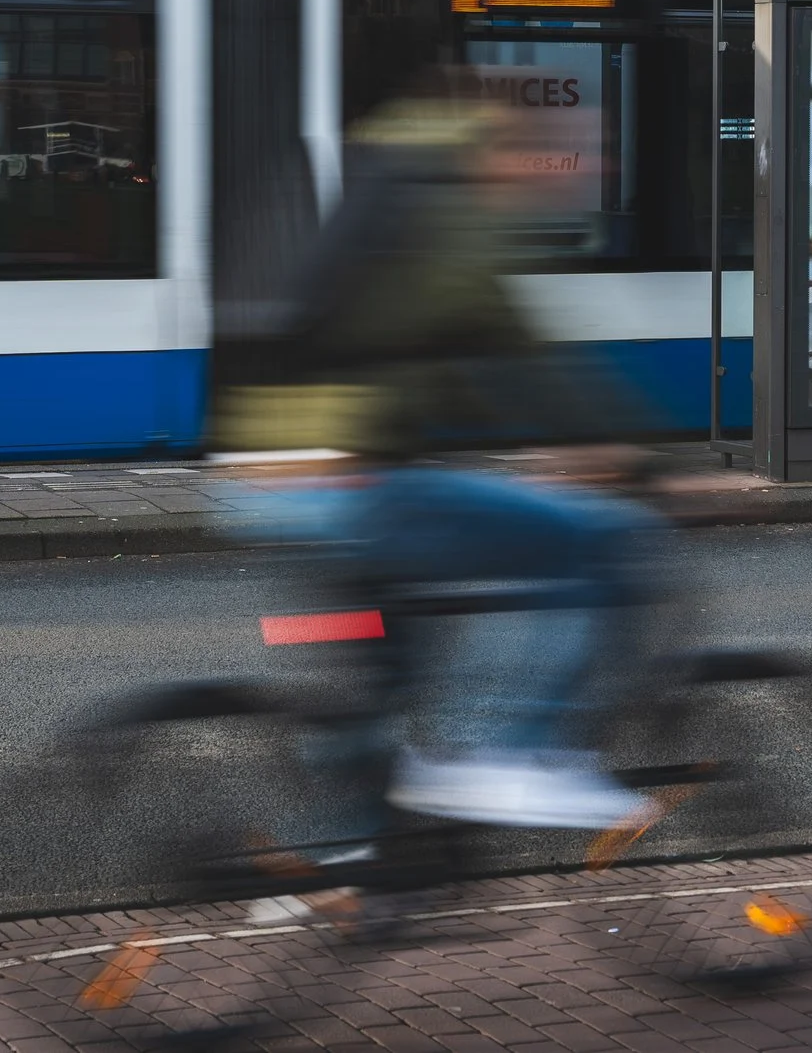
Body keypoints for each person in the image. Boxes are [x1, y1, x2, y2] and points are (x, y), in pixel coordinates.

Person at [213, 84, 662, 832]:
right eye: (577, 154)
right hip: (355, 481)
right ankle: (523, 755)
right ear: (512, 153)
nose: (587, 170)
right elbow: (522, 354)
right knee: (597, 540)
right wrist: (641, 465)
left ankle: (347, 863)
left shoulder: (390, 197)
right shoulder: (450, 211)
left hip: (275, 473)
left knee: (390, 684)